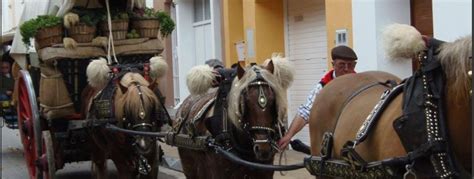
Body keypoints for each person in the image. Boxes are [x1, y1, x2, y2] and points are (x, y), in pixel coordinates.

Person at [277, 45, 358, 150]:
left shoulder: (360, 84)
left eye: (350, 65)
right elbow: (305, 112)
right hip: (331, 140)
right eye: (341, 65)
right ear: (333, 65)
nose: (346, 69)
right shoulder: (323, 87)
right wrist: (288, 136)